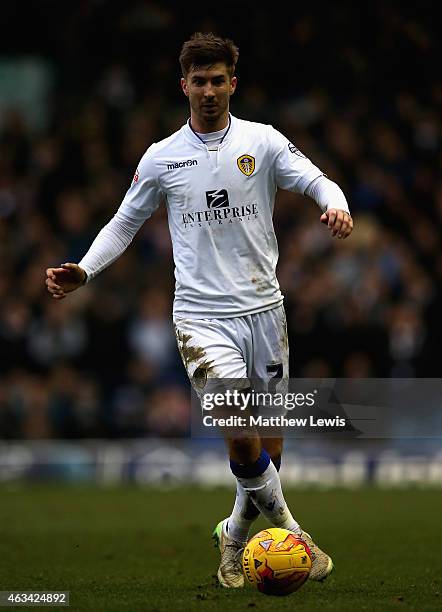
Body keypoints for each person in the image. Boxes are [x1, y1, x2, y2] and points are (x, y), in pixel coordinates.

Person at [46, 32, 353, 588]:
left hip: (266, 312)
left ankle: (233, 536)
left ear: (232, 84)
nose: (208, 91)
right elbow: (124, 223)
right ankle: (300, 539)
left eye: (218, 81)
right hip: (201, 319)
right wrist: (85, 270)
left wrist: (336, 204)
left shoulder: (261, 143)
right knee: (240, 432)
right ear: (183, 85)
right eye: (199, 81)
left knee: (267, 452)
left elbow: (316, 180)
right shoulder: (162, 158)